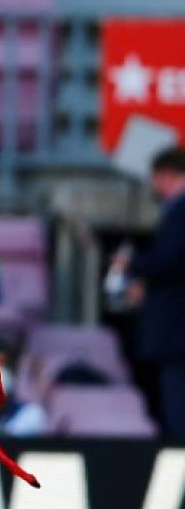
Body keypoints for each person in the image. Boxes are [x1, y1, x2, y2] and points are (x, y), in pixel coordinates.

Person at [115, 147, 185, 438]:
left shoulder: (180, 211)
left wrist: (132, 263)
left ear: (167, 175)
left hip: (177, 332)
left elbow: (171, 259)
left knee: (177, 406)